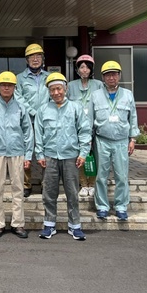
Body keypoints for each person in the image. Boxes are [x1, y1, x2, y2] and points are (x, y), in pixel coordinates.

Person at [35, 73, 92, 241]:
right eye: (52, 90)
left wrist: (83, 153)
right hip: (50, 157)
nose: (56, 92)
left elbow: (84, 131)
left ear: (65, 89)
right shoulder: (43, 110)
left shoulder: (75, 108)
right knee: (49, 193)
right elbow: (38, 133)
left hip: (71, 156)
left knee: (72, 193)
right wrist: (39, 153)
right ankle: (49, 224)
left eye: (59, 88)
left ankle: (75, 226)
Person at [0, 71, 33, 239]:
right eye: (3, 85)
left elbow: (28, 132)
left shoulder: (21, 108)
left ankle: (18, 224)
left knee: (18, 189)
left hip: (17, 153)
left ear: (14, 88)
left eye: (9, 85)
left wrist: (28, 155)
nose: (6, 88)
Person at [88, 61, 140, 222]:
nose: (111, 77)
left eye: (114, 74)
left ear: (119, 76)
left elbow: (133, 118)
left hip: (121, 141)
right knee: (101, 176)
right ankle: (102, 206)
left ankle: (121, 206)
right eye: (108, 75)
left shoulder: (128, 95)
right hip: (101, 140)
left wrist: (132, 139)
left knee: (122, 176)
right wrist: (88, 140)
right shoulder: (95, 95)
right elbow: (89, 119)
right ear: (103, 77)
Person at [15, 43, 50, 197]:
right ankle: (26, 184)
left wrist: (44, 113)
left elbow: (53, 96)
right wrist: (32, 111)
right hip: (27, 120)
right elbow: (18, 97)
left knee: (46, 151)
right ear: (26, 60)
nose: (35, 59)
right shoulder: (19, 78)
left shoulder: (49, 77)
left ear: (42, 59)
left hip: (46, 120)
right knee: (26, 151)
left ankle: (46, 183)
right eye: (32, 57)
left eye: (38, 56)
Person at [67, 54, 103, 198]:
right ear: (77, 69)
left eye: (87, 67)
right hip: (77, 128)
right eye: (82, 67)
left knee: (95, 156)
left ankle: (92, 184)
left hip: (94, 127)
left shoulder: (98, 85)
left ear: (91, 69)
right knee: (80, 155)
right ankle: (83, 184)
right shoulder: (71, 85)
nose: (84, 70)